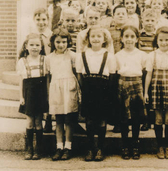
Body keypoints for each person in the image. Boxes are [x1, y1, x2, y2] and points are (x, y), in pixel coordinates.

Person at [76, 27, 116, 161]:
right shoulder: (83, 55)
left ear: (104, 39)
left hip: (103, 89)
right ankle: (90, 148)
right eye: (93, 36)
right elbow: (80, 74)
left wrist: (109, 93)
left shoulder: (108, 55)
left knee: (101, 120)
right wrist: (84, 90)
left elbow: (111, 74)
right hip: (88, 89)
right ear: (88, 39)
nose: (96, 39)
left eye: (99, 36)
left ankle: (100, 148)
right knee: (90, 120)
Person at [144, 27, 168, 159]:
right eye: (161, 40)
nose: (164, 42)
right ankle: (160, 146)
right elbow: (148, 75)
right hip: (156, 88)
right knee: (158, 119)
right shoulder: (152, 55)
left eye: (167, 40)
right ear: (156, 41)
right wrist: (146, 93)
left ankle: (167, 146)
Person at [46, 28, 81, 161]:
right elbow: (48, 77)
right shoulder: (49, 58)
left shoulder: (72, 56)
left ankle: (68, 147)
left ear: (68, 42)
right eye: (58, 42)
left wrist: (78, 91)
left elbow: (77, 74)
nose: (61, 45)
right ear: (53, 42)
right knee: (59, 119)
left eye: (64, 42)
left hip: (69, 88)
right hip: (56, 90)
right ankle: (59, 147)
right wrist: (48, 93)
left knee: (69, 119)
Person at [115, 25, 147, 160]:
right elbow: (116, 74)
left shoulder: (142, 55)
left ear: (137, 39)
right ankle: (125, 145)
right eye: (126, 36)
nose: (129, 39)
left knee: (135, 118)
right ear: (121, 39)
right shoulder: (117, 56)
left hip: (137, 86)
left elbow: (145, 74)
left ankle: (135, 144)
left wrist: (144, 92)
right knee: (123, 118)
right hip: (122, 86)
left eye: (132, 36)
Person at [17, 33, 48, 160]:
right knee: (29, 122)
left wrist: (47, 96)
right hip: (28, 93)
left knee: (38, 122)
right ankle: (29, 148)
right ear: (26, 46)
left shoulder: (44, 59)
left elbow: (47, 80)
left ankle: (38, 149)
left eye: (37, 45)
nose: (34, 47)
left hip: (40, 93)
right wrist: (21, 97)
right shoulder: (22, 61)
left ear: (41, 47)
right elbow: (21, 81)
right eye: (32, 45)